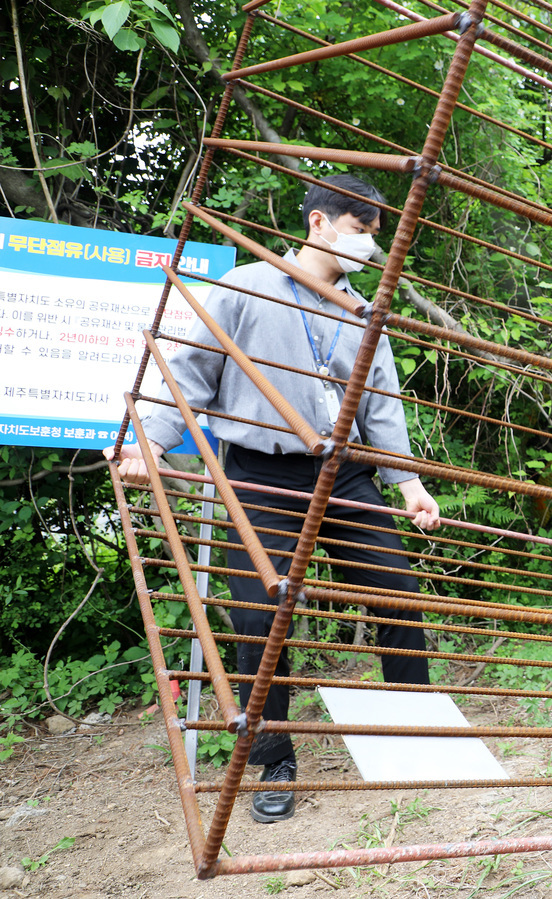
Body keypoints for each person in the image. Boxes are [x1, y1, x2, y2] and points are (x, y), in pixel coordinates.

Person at [106, 174, 441, 823]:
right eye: (360, 230)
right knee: (261, 614)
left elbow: (381, 402)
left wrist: (409, 482)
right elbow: (190, 374)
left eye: (374, 236)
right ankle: (274, 758)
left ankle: (417, 732)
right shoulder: (247, 287)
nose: (368, 246)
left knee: (397, 589)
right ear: (319, 222)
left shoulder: (364, 312)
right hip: (260, 471)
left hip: (343, 474)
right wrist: (148, 443)